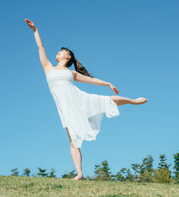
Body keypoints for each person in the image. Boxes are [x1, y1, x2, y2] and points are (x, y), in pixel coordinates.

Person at [24, 19, 148, 180]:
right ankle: (80, 174)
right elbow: (40, 47)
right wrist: (35, 31)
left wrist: (108, 83)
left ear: (67, 57)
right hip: (66, 109)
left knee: (106, 100)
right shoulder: (48, 68)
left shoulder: (72, 73)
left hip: (80, 100)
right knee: (73, 141)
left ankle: (133, 101)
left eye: (61, 51)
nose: (58, 53)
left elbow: (92, 80)